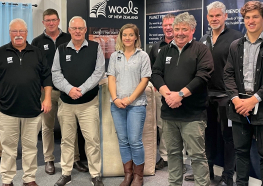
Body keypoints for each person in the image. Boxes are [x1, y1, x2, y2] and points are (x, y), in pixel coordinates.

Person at [224, 1, 263, 186]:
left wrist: (253, 100)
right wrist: (236, 100)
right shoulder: (235, 45)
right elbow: (227, 75)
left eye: (255, 17)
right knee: (241, 153)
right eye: (247, 17)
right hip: (238, 108)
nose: (250, 21)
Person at [151, 12, 213, 186]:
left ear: (192, 30)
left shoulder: (201, 50)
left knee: (198, 157)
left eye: (184, 29)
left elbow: (203, 76)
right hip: (169, 114)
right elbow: (155, 73)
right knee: (173, 154)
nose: (179, 33)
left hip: (193, 115)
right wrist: (167, 94)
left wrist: (180, 95)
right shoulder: (164, 50)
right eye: (176, 29)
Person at [0, 18, 52, 186]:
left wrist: (46, 98)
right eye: (14, 32)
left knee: (31, 147)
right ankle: (7, 180)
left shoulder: (37, 52)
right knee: (8, 148)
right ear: (9, 34)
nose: (18, 35)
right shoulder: (0, 53)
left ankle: (29, 178)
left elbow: (46, 77)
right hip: (7, 110)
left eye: (21, 31)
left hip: (32, 110)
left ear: (26, 33)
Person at [185, 1, 242, 185]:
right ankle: (206, 172)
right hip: (205, 96)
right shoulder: (203, 39)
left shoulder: (236, 37)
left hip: (227, 96)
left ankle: (227, 176)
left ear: (225, 16)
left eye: (218, 15)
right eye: (211, 16)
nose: (214, 19)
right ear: (207, 18)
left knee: (228, 138)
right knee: (205, 136)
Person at [32, 9, 87, 175]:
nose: (51, 23)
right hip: (47, 92)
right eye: (47, 20)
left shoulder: (68, 37)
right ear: (43, 22)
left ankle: (75, 159)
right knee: (47, 127)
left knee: (70, 126)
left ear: (58, 21)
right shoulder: (37, 41)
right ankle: (49, 159)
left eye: (53, 20)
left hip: (67, 90)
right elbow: (35, 66)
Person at [52, 16, 105, 186]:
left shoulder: (96, 47)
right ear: (69, 30)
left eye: (80, 28)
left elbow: (99, 73)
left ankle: (95, 174)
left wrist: (81, 89)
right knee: (66, 140)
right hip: (66, 104)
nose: (77, 31)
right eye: (74, 28)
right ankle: (66, 173)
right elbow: (56, 74)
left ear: (85, 30)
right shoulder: (60, 49)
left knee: (92, 141)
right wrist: (69, 89)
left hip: (88, 103)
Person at [107, 23, 151, 186]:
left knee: (134, 140)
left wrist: (130, 99)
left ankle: (139, 176)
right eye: (124, 35)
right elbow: (111, 78)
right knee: (123, 140)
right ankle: (128, 175)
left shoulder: (143, 56)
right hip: (116, 104)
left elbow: (144, 80)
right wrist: (115, 98)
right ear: (121, 37)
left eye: (131, 35)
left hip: (136, 104)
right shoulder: (114, 56)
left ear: (136, 37)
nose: (127, 37)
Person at [148, 14, 174, 170]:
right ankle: (165, 157)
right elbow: (151, 70)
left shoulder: (186, 44)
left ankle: (179, 158)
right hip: (160, 93)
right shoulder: (156, 47)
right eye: (165, 25)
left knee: (181, 126)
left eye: (171, 24)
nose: (168, 28)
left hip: (181, 93)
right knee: (162, 125)